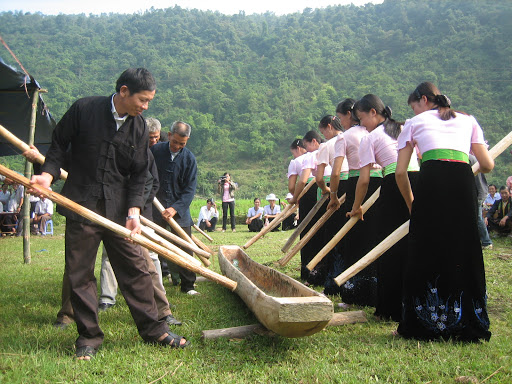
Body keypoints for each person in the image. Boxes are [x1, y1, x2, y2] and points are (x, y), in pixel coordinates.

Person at [30, 68, 189, 359]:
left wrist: (133, 210)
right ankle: (88, 337)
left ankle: (155, 330)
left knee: (137, 270)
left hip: (118, 212)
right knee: (79, 274)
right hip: (82, 206)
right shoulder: (84, 109)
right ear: (124, 91)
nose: (145, 106)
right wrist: (47, 176)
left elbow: (141, 174)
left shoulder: (140, 127)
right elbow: (58, 145)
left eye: (149, 101)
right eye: (142, 99)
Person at [395, 81, 493, 342]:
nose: (415, 111)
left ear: (424, 100)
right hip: (462, 183)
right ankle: (468, 321)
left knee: (425, 247)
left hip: (430, 183)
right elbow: (487, 164)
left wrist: (411, 203)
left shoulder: (413, 123)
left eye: (415, 106)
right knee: (463, 247)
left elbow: (401, 172)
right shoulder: (468, 120)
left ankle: (422, 323)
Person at [349, 95, 419, 321]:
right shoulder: (404, 127)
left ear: (372, 112)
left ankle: (390, 308)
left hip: (395, 185)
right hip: (418, 181)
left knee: (389, 246)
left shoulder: (371, 138)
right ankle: (415, 303)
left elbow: (364, 180)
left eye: (361, 119)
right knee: (415, 242)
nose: (361, 125)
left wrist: (357, 206)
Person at [328, 98, 381, 307]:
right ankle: (376, 292)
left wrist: (333, 195)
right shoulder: (373, 132)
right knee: (375, 235)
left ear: (349, 115)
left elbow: (335, 171)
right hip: (380, 182)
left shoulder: (345, 137)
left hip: (357, 182)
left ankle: (355, 294)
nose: (341, 122)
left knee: (355, 237)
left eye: (341, 117)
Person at [152, 121, 199, 296]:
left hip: (179, 210)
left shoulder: (189, 159)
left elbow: (189, 190)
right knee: (152, 246)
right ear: (169, 135)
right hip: (155, 207)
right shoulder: (155, 152)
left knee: (185, 247)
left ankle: (188, 285)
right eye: (175, 142)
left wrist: (175, 208)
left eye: (182, 144)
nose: (177, 146)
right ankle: (154, 282)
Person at [289, 131, 331, 285]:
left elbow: (300, 182)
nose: (306, 149)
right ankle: (323, 272)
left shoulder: (306, 157)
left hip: (312, 191)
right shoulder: (330, 149)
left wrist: (295, 198)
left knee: (309, 232)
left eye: (306, 145)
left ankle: (309, 272)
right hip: (328, 188)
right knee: (324, 232)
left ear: (313, 142)